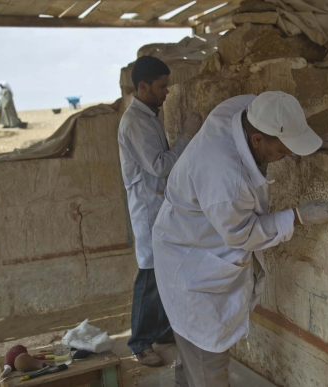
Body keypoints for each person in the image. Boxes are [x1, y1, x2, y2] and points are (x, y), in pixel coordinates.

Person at [152, 91, 328, 386]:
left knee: (191, 363)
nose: (288, 156)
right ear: (257, 140)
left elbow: (277, 118)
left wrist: (308, 142)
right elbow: (243, 234)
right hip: (191, 267)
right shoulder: (224, 179)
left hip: (190, 234)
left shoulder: (243, 108)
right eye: (283, 152)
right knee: (208, 364)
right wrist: (298, 216)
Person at [117, 56, 202, 367]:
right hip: (148, 210)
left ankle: (163, 330)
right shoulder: (136, 122)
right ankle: (139, 342)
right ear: (143, 86)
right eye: (162, 86)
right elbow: (160, 165)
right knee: (150, 275)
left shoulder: (149, 115)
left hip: (159, 206)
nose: (167, 92)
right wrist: (188, 136)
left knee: (164, 270)